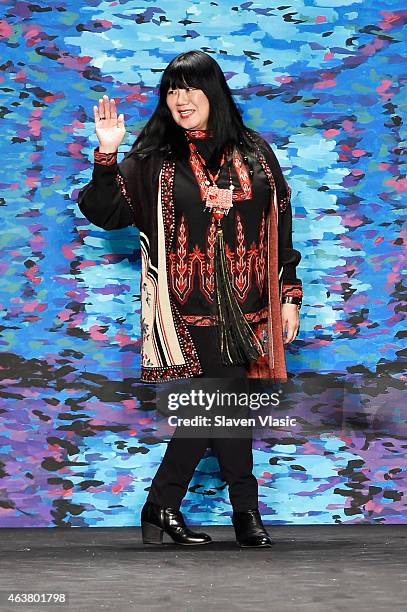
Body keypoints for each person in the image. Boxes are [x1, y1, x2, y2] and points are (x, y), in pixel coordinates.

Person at [76, 50, 303, 548]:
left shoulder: (255, 152)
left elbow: (281, 224)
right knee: (222, 403)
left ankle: (181, 508)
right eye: (171, 89)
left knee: (224, 407)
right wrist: (107, 156)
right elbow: (107, 213)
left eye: (190, 87)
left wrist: (289, 293)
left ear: (213, 92)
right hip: (183, 308)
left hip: (249, 309)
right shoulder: (156, 158)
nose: (180, 99)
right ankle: (235, 512)